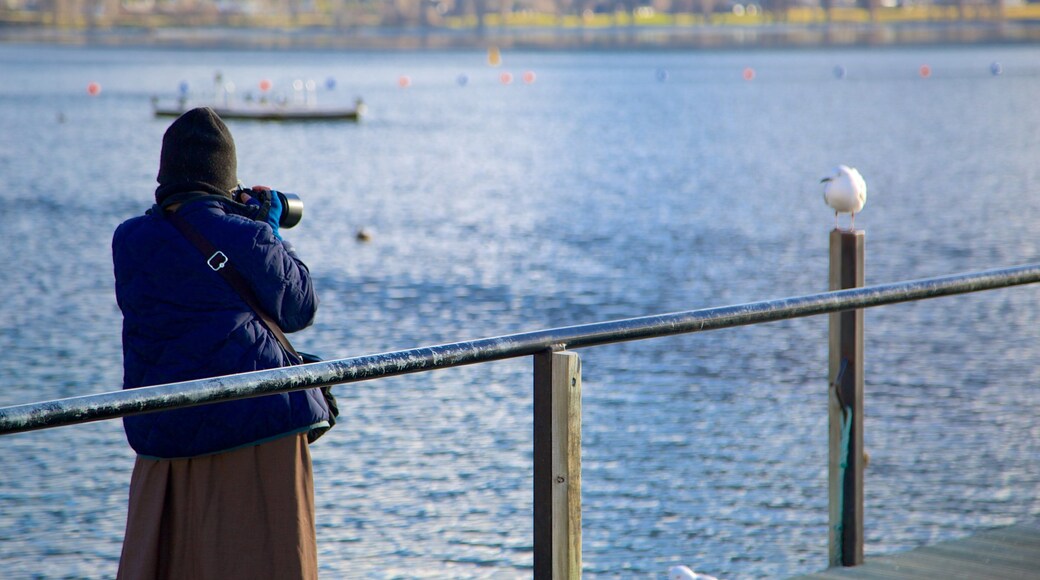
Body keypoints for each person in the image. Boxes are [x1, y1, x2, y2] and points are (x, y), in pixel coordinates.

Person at [112, 107, 332, 579]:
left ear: (165, 172)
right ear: (224, 178)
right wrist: (267, 231)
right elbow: (300, 308)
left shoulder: (128, 239)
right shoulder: (246, 235)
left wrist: (239, 222)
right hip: (256, 429)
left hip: (163, 433)